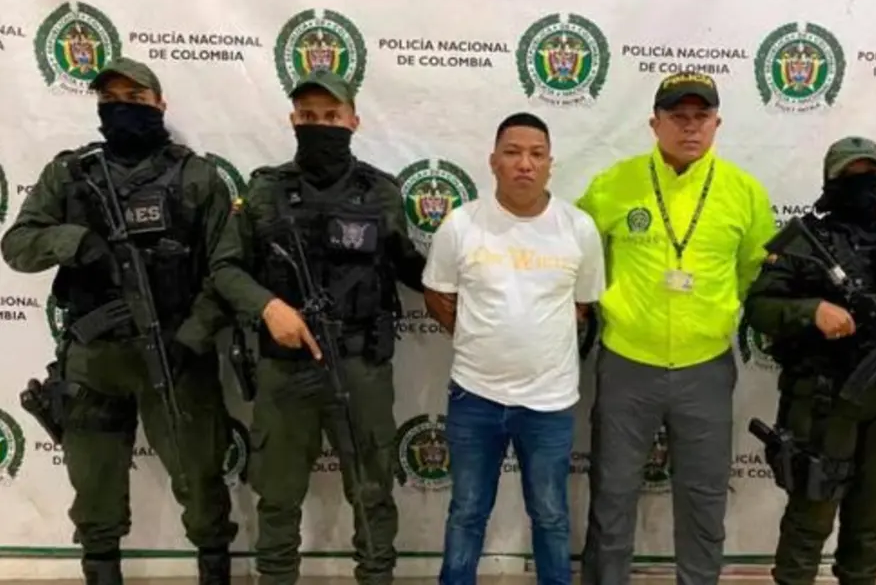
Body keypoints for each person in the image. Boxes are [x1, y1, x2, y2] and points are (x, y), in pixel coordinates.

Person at [0, 57, 237, 585]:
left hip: (176, 354)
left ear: (160, 104)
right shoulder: (70, 173)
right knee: (95, 491)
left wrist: (193, 336)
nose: (122, 109)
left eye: (135, 99)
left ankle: (215, 572)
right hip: (94, 361)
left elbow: (228, 269)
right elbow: (16, 245)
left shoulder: (196, 177)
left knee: (201, 483)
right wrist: (75, 241)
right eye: (110, 100)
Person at [208, 68, 426, 585]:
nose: (320, 124)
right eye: (308, 116)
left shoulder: (382, 193)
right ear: (292, 120)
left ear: (353, 120)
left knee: (373, 491)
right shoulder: (264, 192)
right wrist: (267, 307)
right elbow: (224, 268)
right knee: (278, 495)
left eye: (331, 116)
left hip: (360, 365)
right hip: (286, 368)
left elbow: (411, 269)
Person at [575, 71, 777, 585]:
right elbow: (574, 257)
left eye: (701, 117)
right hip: (626, 365)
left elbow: (761, 277)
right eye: (677, 117)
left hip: (705, 368)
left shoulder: (744, 193)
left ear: (716, 123)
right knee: (613, 495)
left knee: (704, 499)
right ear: (654, 123)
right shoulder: (612, 185)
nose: (690, 127)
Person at [744, 137, 876, 585]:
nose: (865, 185)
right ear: (831, 182)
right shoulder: (805, 244)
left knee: (873, 518)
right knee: (810, 517)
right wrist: (811, 312)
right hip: (823, 403)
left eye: (872, 175)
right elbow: (760, 307)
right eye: (852, 176)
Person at [423, 112, 605, 585]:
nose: (525, 163)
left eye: (536, 154)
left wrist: (532, 339)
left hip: (549, 402)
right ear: (493, 162)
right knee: (466, 512)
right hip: (474, 396)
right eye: (513, 152)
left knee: (550, 515)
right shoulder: (461, 225)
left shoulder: (578, 228)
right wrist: (477, 338)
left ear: (550, 165)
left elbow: (582, 305)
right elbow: (438, 294)